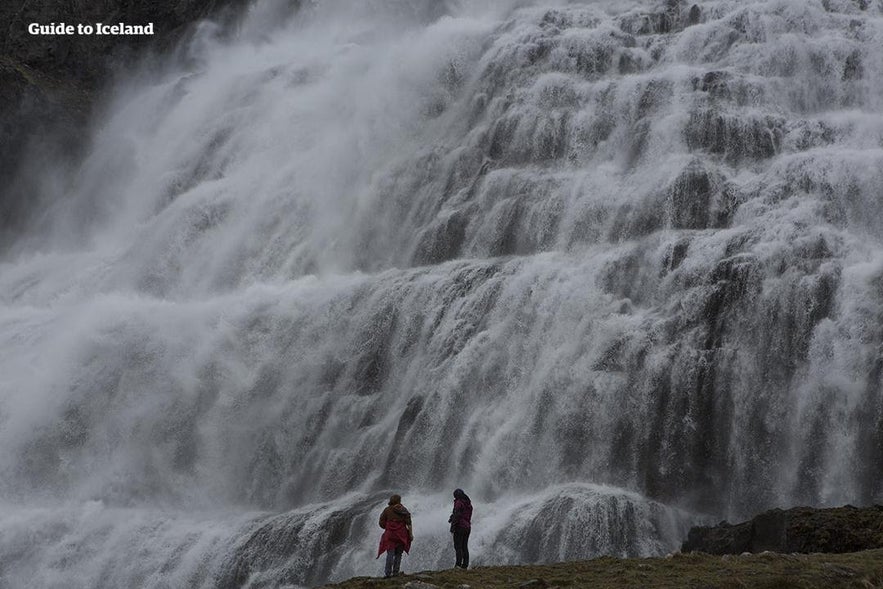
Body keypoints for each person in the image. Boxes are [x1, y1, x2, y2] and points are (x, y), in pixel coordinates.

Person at [377, 494, 413, 578]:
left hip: (390, 535)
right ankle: (396, 572)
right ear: (399, 501)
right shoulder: (404, 510)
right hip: (401, 535)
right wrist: (410, 534)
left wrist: (387, 527)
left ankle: (388, 573)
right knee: (398, 554)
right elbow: (409, 524)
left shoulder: (387, 510)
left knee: (390, 554)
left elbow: (381, 521)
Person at [448, 488, 472, 569]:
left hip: (460, 527)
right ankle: (465, 565)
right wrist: (452, 517)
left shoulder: (458, 502)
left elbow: (457, 515)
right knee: (464, 546)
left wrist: (452, 526)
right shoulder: (468, 504)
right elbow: (463, 514)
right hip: (467, 527)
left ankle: (458, 565)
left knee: (458, 546)